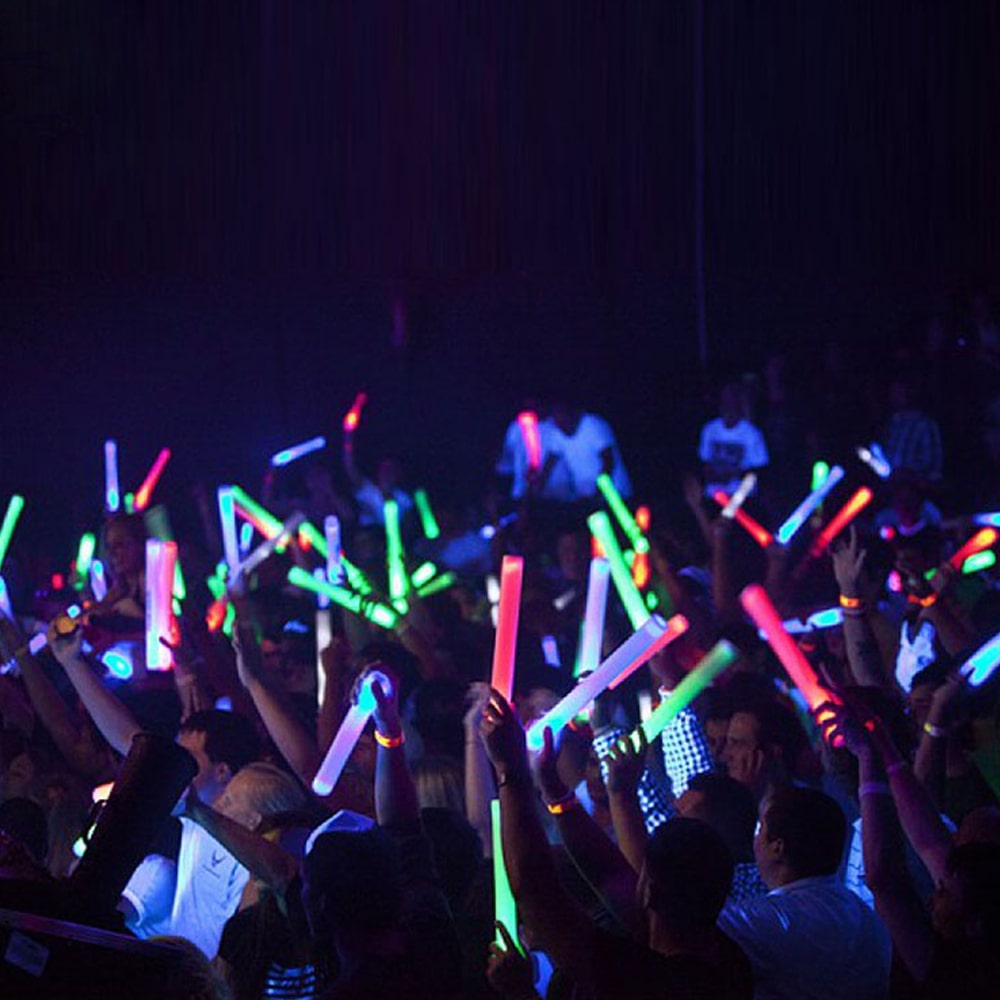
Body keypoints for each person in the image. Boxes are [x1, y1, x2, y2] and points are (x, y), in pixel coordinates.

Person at [481, 691, 753, 1000]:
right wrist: (554, 791)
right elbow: (607, 874)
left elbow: (537, 891)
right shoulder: (728, 962)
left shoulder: (649, 980)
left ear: (649, 892)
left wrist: (511, 771)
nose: (632, 875)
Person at [718, 786, 891, 1000]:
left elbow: (692, 927)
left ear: (777, 848)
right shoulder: (867, 917)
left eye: (760, 829)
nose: (754, 839)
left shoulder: (773, 920)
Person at [698, 381, 769, 499]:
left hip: (741, 497)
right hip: (714, 495)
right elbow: (704, 461)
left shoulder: (751, 433)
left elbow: (758, 469)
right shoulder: (710, 429)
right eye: (725, 401)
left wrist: (734, 475)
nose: (728, 406)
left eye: (732, 401)